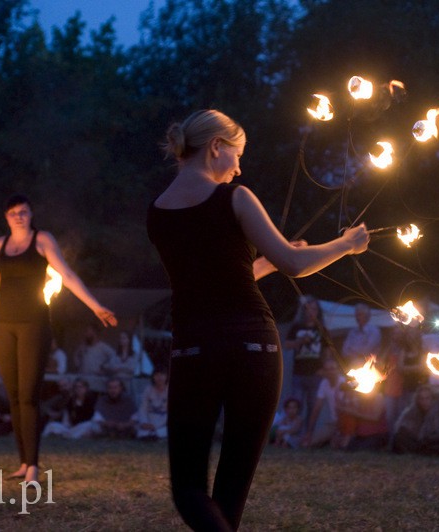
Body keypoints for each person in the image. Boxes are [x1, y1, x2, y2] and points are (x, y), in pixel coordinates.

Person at [146, 109, 369, 530]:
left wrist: (263, 264)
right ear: (216, 147)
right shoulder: (235, 197)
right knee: (230, 490)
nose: (239, 167)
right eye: (237, 154)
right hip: (254, 350)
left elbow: (212, 278)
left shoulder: (157, 212)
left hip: (194, 348)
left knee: (189, 489)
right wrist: (346, 243)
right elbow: (294, 262)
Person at [0, 194, 117, 484]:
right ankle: (23, 463)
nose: (18, 216)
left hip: (33, 325)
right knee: (12, 396)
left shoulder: (42, 240)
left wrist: (95, 306)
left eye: (23, 211)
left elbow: (68, 275)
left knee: (28, 395)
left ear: (31, 214)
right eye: (12, 213)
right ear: (6, 217)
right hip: (1, 325)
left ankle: (33, 466)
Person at [284, 295, 334, 429]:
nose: (311, 312)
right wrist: (300, 341)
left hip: (316, 374)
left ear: (318, 311)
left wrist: (326, 368)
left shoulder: (322, 330)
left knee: (313, 407)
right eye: (308, 309)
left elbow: (327, 352)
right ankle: (292, 433)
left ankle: (308, 435)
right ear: (304, 311)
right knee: (296, 405)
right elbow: (287, 345)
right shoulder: (296, 327)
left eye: (314, 309)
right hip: (298, 373)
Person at [392, 384, 439, 456]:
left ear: (434, 398)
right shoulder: (412, 412)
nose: (425, 402)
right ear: (418, 400)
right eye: (422, 399)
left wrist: (429, 439)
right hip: (420, 443)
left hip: (437, 442)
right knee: (400, 436)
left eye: (427, 398)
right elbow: (405, 428)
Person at [301, 357, 345, 448]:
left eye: (332, 369)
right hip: (333, 423)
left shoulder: (345, 383)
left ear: (338, 370)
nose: (330, 372)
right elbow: (316, 409)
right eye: (327, 370)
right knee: (307, 444)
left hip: (346, 422)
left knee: (337, 445)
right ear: (323, 372)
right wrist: (309, 432)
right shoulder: (324, 383)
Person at [341, 302, 382, 367]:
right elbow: (344, 351)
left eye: (360, 315)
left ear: (366, 316)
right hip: (351, 365)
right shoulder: (353, 331)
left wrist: (352, 350)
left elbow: (366, 350)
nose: (357, 317)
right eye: (356, 315)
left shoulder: (374, 331)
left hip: (368, 366)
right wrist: (358, 353)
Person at [134, 368, 169, 440]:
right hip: (150, 417)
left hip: (164, 419)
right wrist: (145, 422)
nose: (160, 378)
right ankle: (151, 434)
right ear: (153, 377)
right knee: (141, 430)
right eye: (157, 375)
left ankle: (156, 434)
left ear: (166, 376)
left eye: (162, 375)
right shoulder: (148, 390)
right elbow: (143, 408)